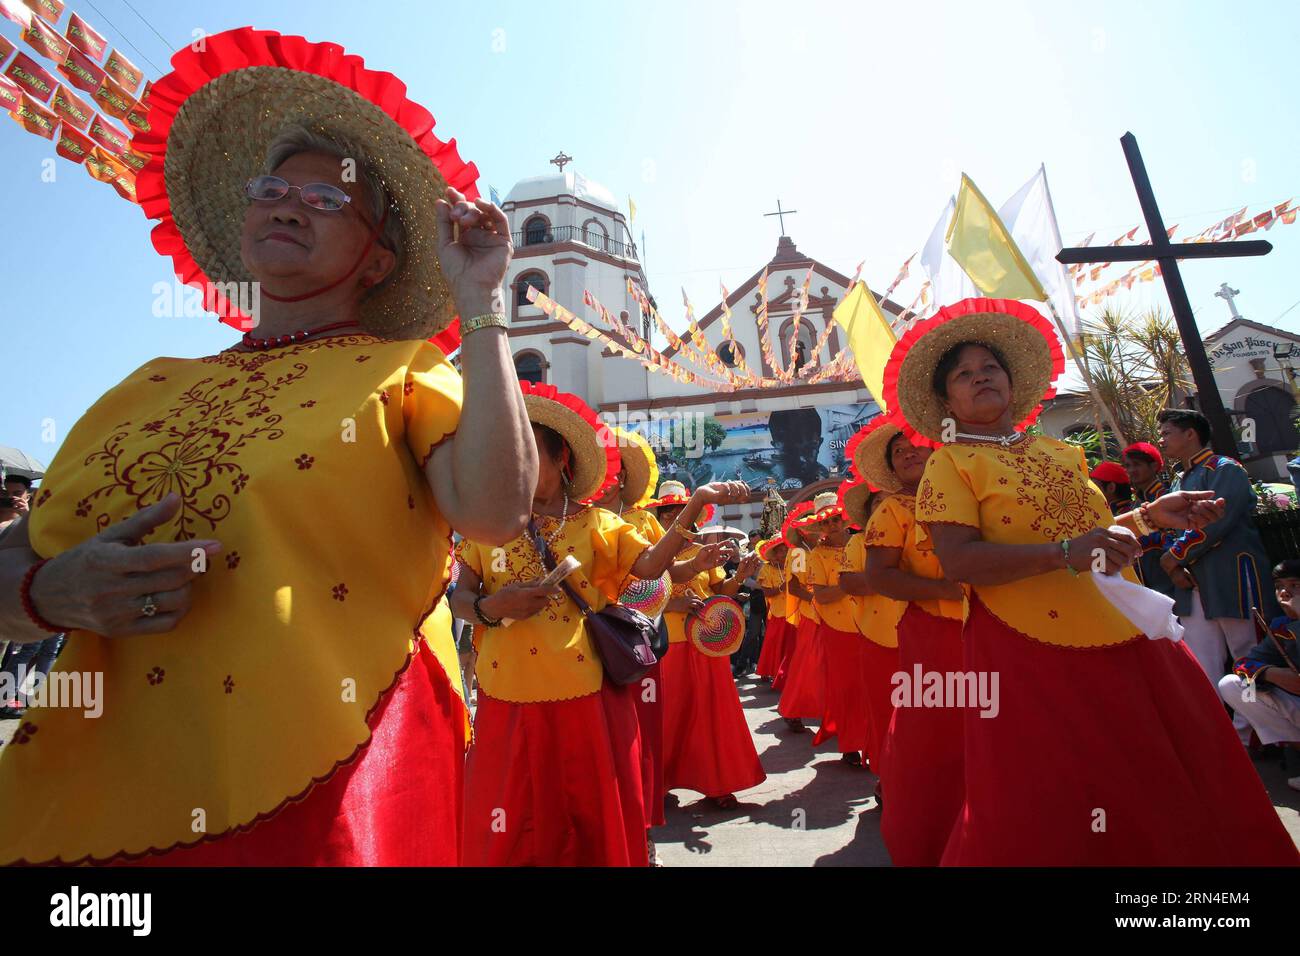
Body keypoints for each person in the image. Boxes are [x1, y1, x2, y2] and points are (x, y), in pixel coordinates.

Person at [0, 26, 537, 866]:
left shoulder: (404, 371)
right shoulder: (146, 385)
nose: (289, 204)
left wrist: (479, 304)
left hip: (325, 785)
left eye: (328, 201)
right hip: (86, 802)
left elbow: (497, 511)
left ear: (377, 260)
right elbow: (18, 558)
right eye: (271, 189)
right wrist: (48, 593)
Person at [887, 295, 1297, 865]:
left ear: (1011, 381)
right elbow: (960, 562)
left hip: (1122, 626)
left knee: (1165, 768)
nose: (981, 378)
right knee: (1057, 786)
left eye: (991, 368)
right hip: (1026, 644)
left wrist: (1152, 516)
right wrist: (1064, 553)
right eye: (964, 374)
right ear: (945, 399)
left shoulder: (1060, 451)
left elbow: (1097, 537)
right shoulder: (950, 464)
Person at [453, 388, 748, 865]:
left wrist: (693, 505)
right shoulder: (486, 528)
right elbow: (459, 598)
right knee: (512, 818)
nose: (518, 468)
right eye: (508, 456)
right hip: (505, 691)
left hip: (585, 691)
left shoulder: (598, 524)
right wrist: (492, 605)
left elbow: (651, 566)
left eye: (529, 454)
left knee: (589, 814)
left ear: (560, 455)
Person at [840, 421, 965, 862]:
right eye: (897, 452)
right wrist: (947, 591)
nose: (908, 453)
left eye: (914, 445)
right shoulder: (892, 511)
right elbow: (879, 577)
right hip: (930, 635)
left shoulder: (971, 489)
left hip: (995, 628)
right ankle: (937, 836)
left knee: (996, 732)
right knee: (934, 737)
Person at [1158, 407, 1280, 743]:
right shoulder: (1179, 480)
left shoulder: (1225, 469)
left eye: (1167, 432)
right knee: (1201, 660)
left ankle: (1253, 731)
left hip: (1232, 575)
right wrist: (1176, 563)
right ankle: (1217, 736)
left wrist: (1175, 557)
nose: (1162, 439)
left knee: (1249, 656)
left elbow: (1216, 521)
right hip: (1194, 582)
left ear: (1190, 434)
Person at [652, 481, 766, 810]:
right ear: (661, 517)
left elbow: (721, 592)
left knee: (713, 715)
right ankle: (660, 781)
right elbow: (635, 595)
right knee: (669, 715)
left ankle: (718, 784)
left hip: (708, 643)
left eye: (682, 512)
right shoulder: (650, 552)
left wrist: (741, 575)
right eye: (670, 512)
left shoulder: (703, 551)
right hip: (668, 644)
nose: (677, 517)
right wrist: (673, 606)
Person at [803, 491, 872, 766]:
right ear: (819, 527)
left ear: (844, 520)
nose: (831, 526)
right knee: (846, 688)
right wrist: (850, 585)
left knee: (871, 686)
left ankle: (874, 743)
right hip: (836, 630)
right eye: (825, 523)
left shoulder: (863, 544)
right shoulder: (816, 556)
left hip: (869, 624)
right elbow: (821, 596)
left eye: (835, 519)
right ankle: (851, 744)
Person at [1219, 560, 1300, 792]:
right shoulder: (1281, 626)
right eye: (1279, 586)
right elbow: (1243, 665)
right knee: (1234, 686)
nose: (1285, 592)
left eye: (1294, 585)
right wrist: (1271, 674)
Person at [776, 502, 827, 734]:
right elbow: (794, 588)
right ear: (805, 530)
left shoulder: (822, 550)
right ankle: (792, 709)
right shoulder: (798, 553)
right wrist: (816, 599)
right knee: (806, 664)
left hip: (830, 612)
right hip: (811, 614)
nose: (822, 528)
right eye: (818, 524)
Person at [1122, 441, 1175, 595]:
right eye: (1127, 466)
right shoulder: (1136, 504)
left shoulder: (1166, 497)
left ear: (1153, 466)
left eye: (1136, 464)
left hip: (1172, 581)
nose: (1131, 470)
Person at [754, 538, 791, 682]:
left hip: (794, 611)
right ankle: (771, 671)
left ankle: (789, 672)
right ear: (774, 553)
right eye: (780, 550)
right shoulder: (767, 569)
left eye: (786, 550)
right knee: (775, 642)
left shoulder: (793, 566)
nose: (784, 553)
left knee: (790, 643)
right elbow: (767, 593)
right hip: (776, 612)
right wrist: (783, 587)